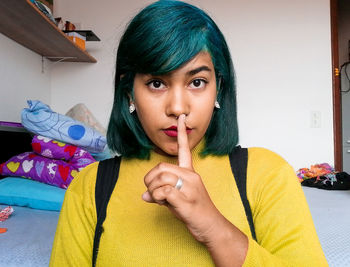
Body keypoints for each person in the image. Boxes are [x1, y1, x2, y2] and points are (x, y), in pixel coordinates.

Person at [50, 1, 328, 266]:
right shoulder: (88, 187)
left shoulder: (268, 174)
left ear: (218, 87)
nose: (178, 108)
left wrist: (211, 225)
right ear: (129, 91)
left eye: (197, 82)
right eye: (156, 83)